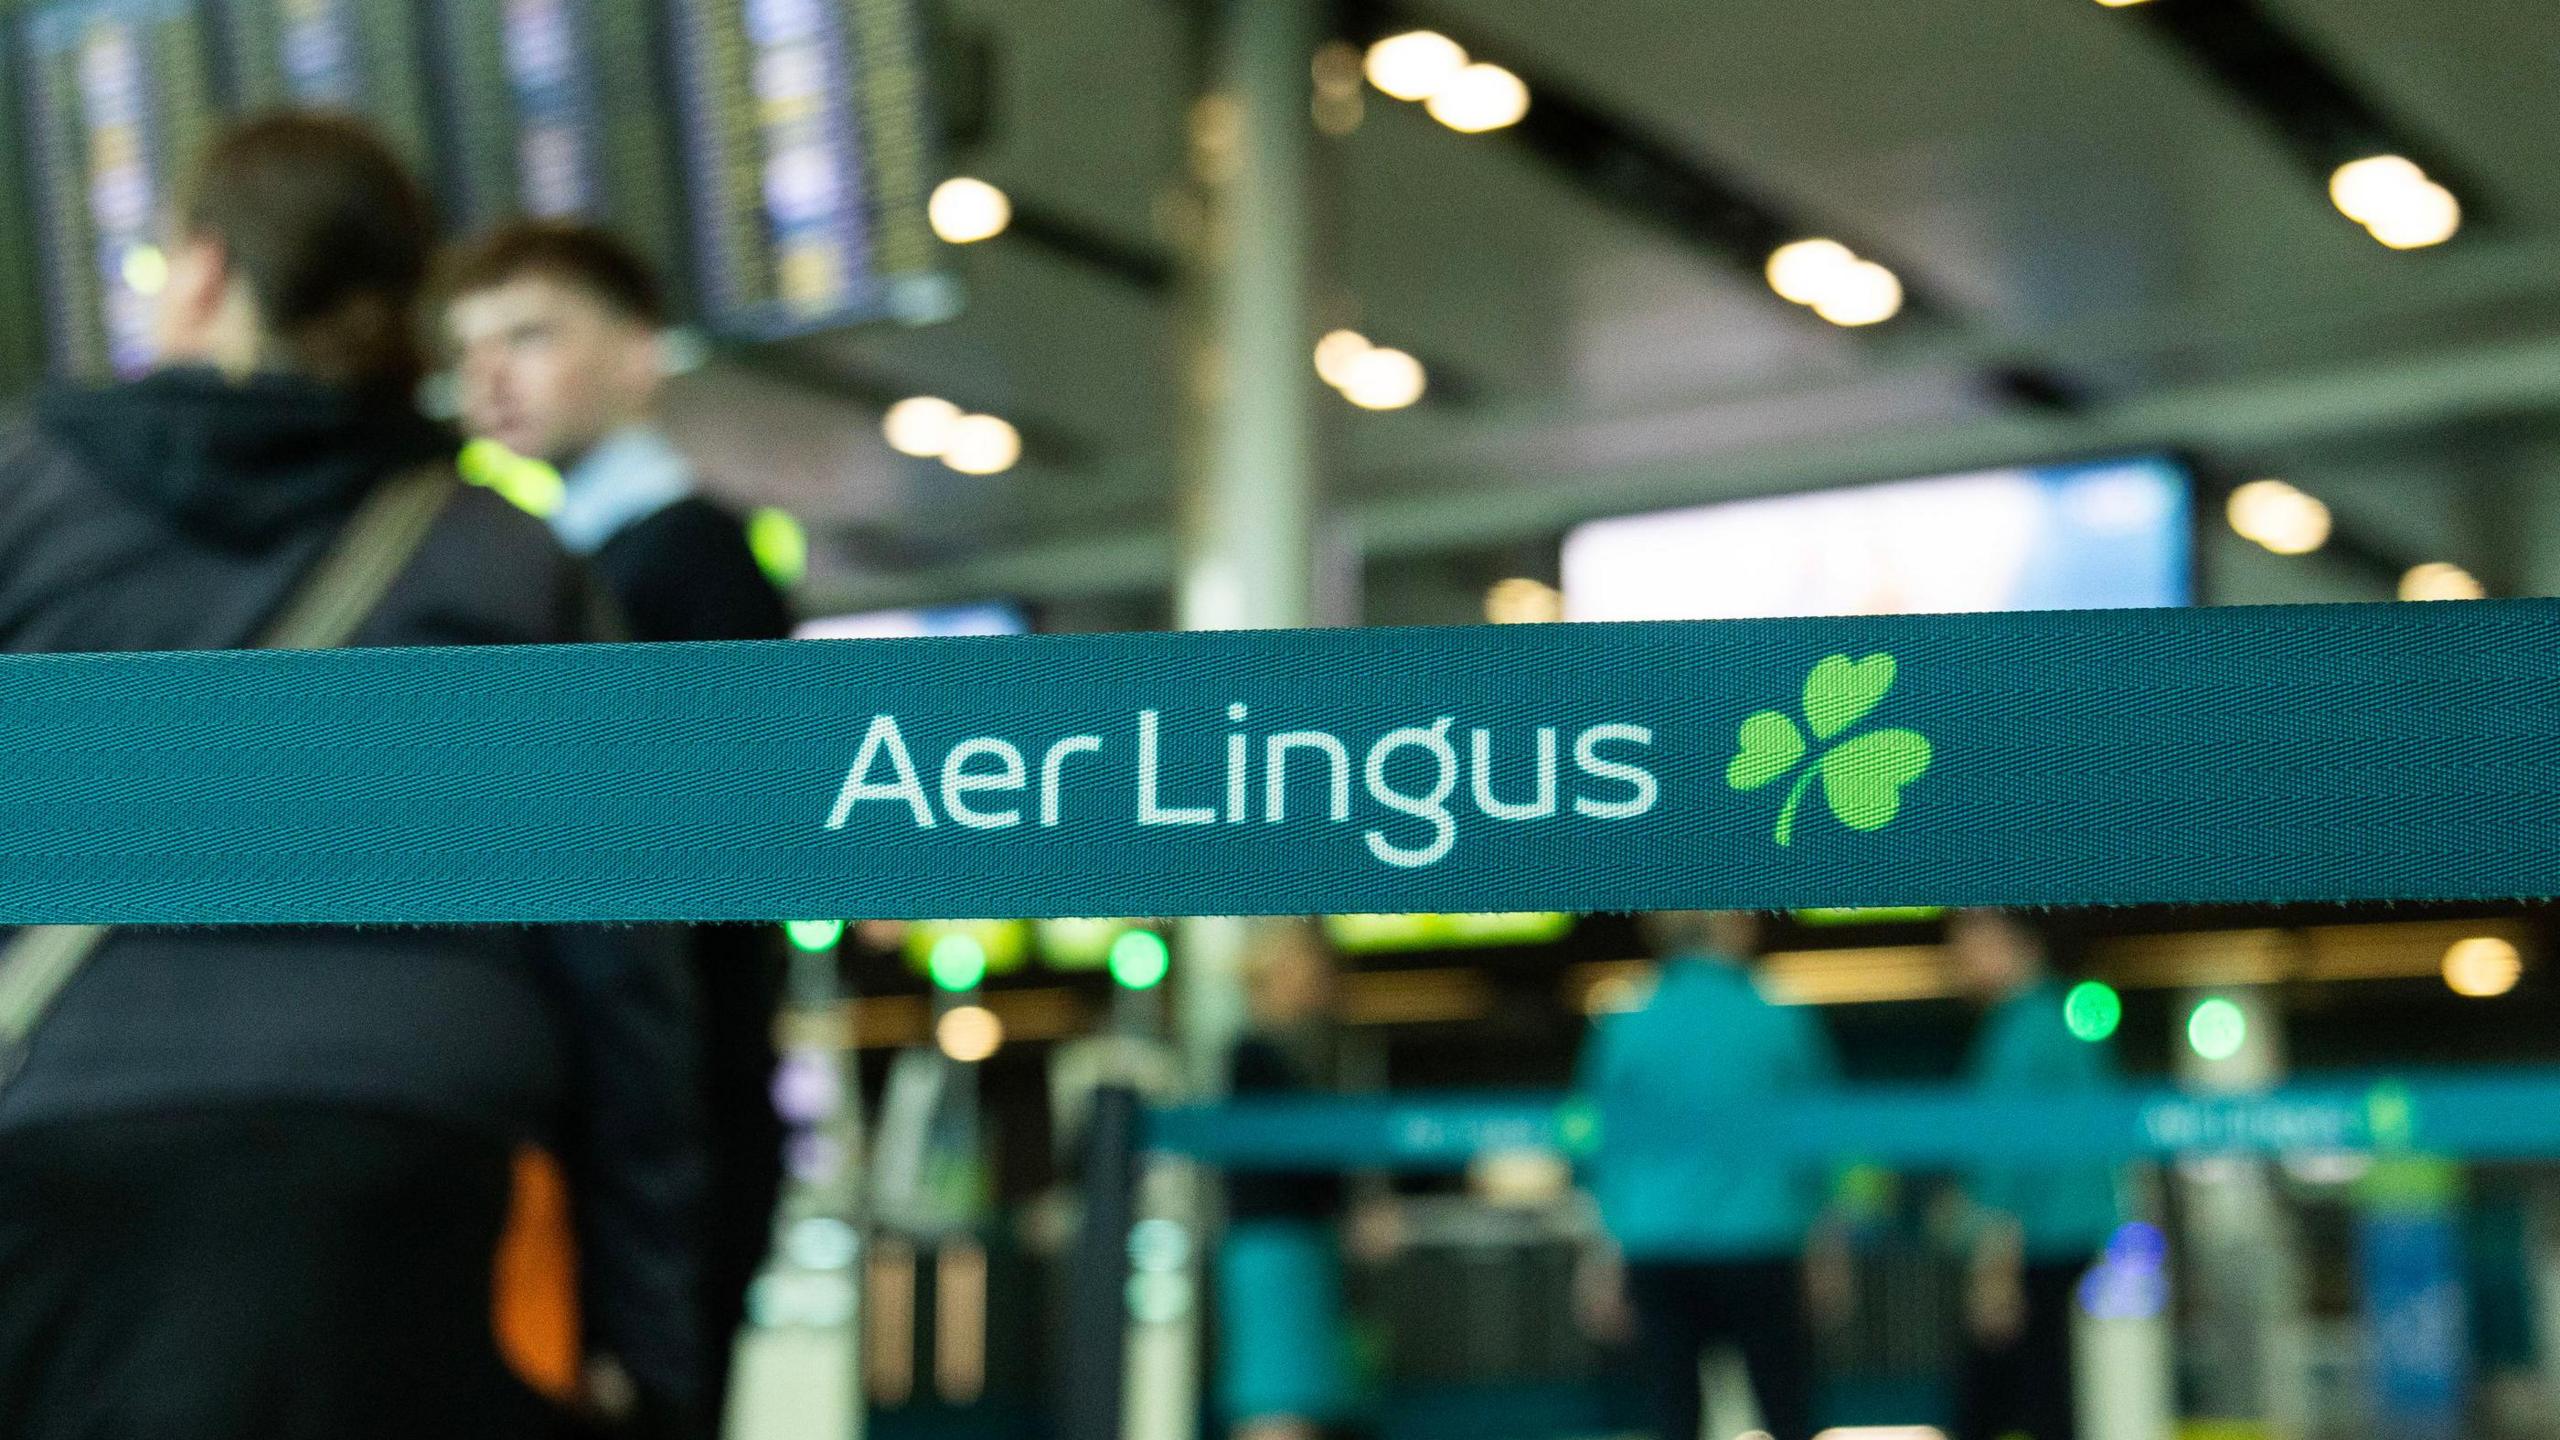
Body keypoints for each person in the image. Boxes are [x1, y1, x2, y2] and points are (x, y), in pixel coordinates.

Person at [0, 114, 701, 1438]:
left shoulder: (20, 504)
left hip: (61, 1146)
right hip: (414, 1152)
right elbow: (622, 969)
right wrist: (646, 1345)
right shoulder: (509, 561)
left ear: (203, 274)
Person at [445, 220, 793, 1434]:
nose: (492, 373)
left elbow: (676, 926)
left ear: (640, 356)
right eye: (471, 345)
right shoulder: (538, 568)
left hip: (667, 1140)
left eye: (532, 334)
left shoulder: (692, 571)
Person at [1574, 911, 1843, 1440]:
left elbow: (1598, 1147)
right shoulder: (1777, 1019)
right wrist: (1828, 1244)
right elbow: (1821, 1142)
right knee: (1784, 1408)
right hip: (1762, 1238)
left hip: (1658, 1243)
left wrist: (1602, 1255)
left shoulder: (1627, 1024)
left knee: (1675, 1413)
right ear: (1734, 928)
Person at [1948, 910, 2121, 1440]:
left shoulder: (2019, 1032)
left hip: (2029, 1241)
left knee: (1999, 1396)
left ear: (2008, 941)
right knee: (2046, 1388)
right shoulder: (2064, 1021)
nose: (1956, 960)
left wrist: (1995, 1257)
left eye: (1966, 943)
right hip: (2067, 1234)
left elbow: (2011, 1153)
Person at [1218, 921, 1361, 1440]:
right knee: (1279, 1406)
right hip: (1275, 1250)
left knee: (1295, 1403)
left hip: (1298, 1249)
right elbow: (1291, 1164)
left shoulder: (1312, 1053)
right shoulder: (1255, 1056)